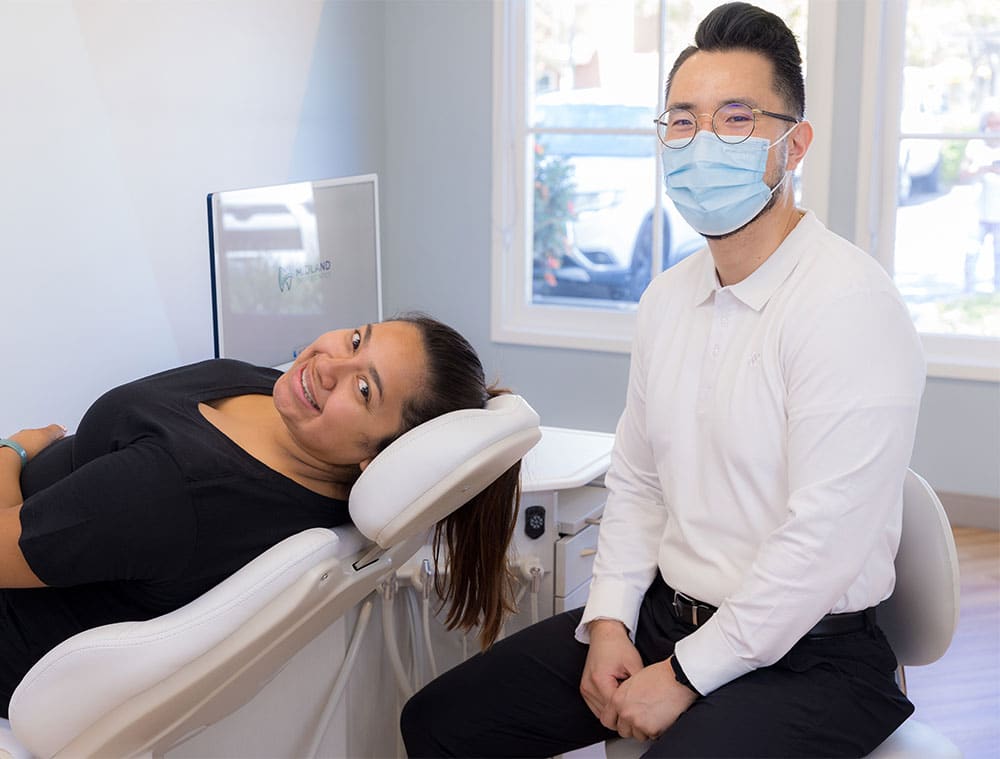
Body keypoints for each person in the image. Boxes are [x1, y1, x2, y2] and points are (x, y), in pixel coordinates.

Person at [401, 4, 925, 757]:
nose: (702, 142)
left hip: (816, 655)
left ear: (794, 144)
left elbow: (819, 546)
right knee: (442, 720)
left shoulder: (850, 308)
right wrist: (611, 618)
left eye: (736, 119)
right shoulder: (668, 299)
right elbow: (641, 482)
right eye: (682, 121)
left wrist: (683, 673)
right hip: (667, 617)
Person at [0, 313, 522, 718]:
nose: (327, 365)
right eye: (358, 340)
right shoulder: (285, 411)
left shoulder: (175, 492)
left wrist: (14, 451)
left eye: (365, 390)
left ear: (377, 457)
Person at [960, 108, 1000, 292]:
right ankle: (968, 292)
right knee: (972, 252)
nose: (994, 128)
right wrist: (983, 169)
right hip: (977, 210)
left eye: (997, 124)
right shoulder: (975, 145)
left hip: (997, 211)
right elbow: (962, 174)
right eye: (991, 123)